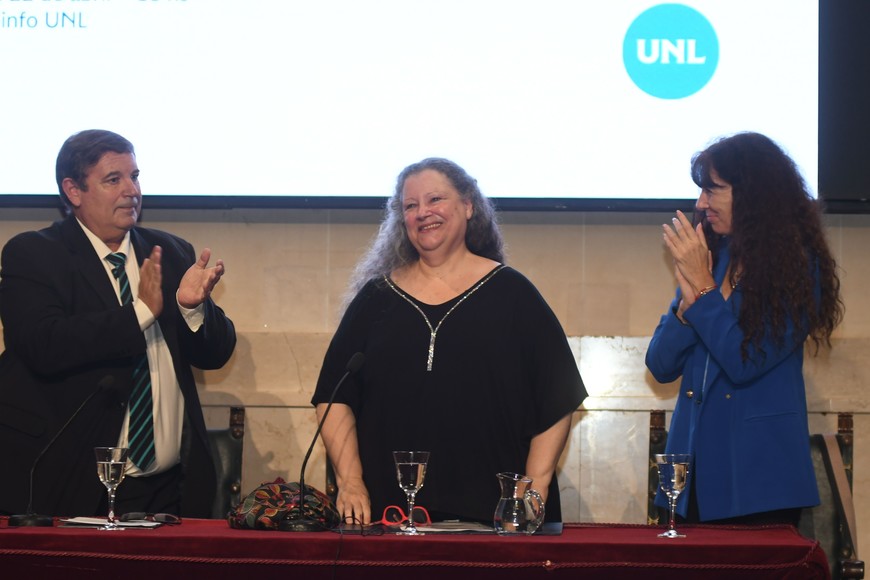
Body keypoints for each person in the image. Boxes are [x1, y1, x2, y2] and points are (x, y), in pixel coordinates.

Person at [312, 157, 587, 526]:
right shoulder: (376, 299)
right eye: (411, 206)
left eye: (435, 199)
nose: (423, 212)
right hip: (390, 518)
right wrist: (350, 483)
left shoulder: (513, 294)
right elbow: (334, 396)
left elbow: (558, 397)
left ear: (469, 206)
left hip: (495, 520)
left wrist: (533, 492)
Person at [0, 129, 236, 520]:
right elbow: (44, 345)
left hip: (167, 489)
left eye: (135, 176)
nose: (132, 190)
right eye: (114, 179)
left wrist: (193, 309)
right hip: (69, 483)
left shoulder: (171, 252)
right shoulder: (34, 253)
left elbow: (216, 354)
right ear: (74, 191)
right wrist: (141, 312)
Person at [646, 132, 843, 526]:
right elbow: (661, 364)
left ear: (753, 194)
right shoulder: (712, 258)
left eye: (712, 190)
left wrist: (702, 292)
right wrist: (688, 309)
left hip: (759, 481)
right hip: (686, 481)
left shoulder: (800, 269)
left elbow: (745, 361)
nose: (701, 203)